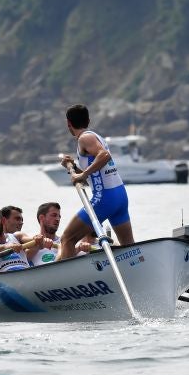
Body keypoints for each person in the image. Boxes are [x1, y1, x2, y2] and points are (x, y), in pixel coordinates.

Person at [56, 104, 134, 261]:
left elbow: (104, 155)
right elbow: (94, 177)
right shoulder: (96, 137)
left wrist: (83, 174)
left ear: (68, 123)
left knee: (67, 239)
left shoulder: (85, 138)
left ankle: (67, 275)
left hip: (104, 199)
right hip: (119, 196)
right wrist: (74, 168)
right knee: (130, 249)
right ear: (88, 120)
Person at [0, 202, 48, 272]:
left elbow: (34, 242)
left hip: (26, 273)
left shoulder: (17, 236)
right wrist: (7, 247)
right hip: (2, 279)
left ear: (3, 221)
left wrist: (37, 239)